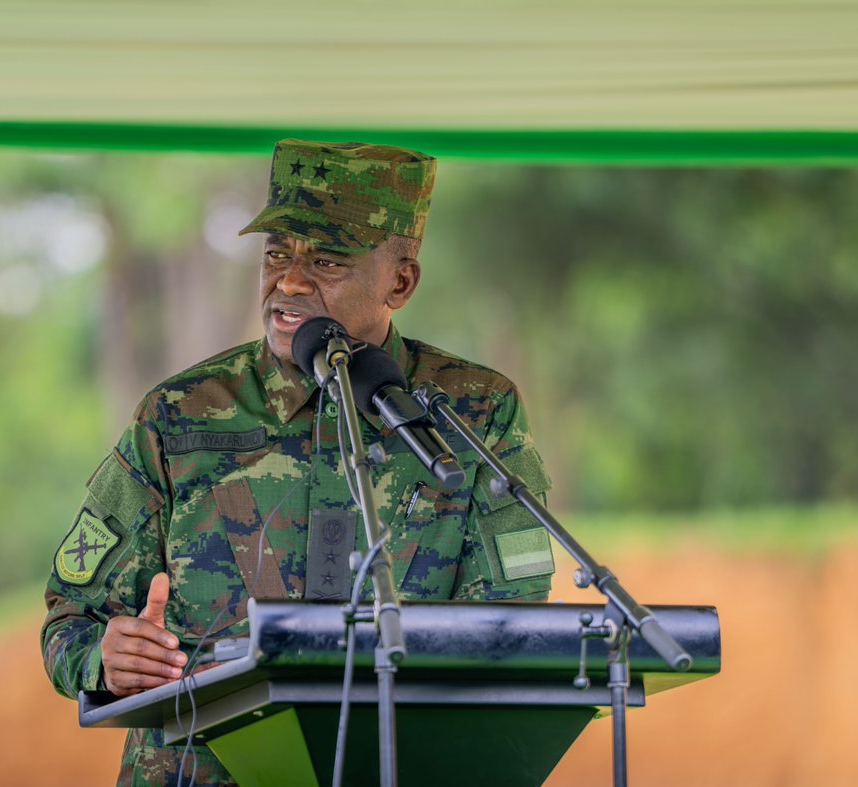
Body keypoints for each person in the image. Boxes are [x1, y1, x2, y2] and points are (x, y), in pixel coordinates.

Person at [41, 140, 555, 786]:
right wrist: (106, 657)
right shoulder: (177, 418)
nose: (288, 282)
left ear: (400, 280)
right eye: (277, 253)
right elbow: (69, 617)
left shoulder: (475, 413)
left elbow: (513, 629)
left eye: (326, 260)